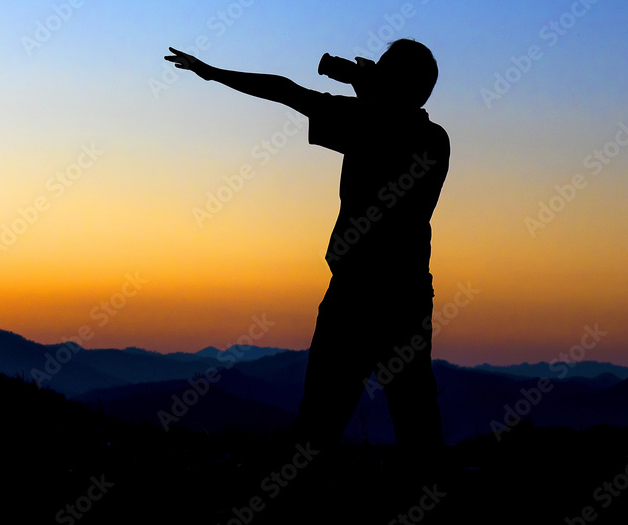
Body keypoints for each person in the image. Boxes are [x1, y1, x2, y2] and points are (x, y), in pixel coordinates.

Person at [164, 39, 449, 467]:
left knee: (319, 420)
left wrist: (215, 73)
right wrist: (368, 89)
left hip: (354, 296)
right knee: (416, 420)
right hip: (406, 297)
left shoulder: (364, 121)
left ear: (390, 81)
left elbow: (286, 90)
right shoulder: (434, 140)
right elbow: (389, 125)